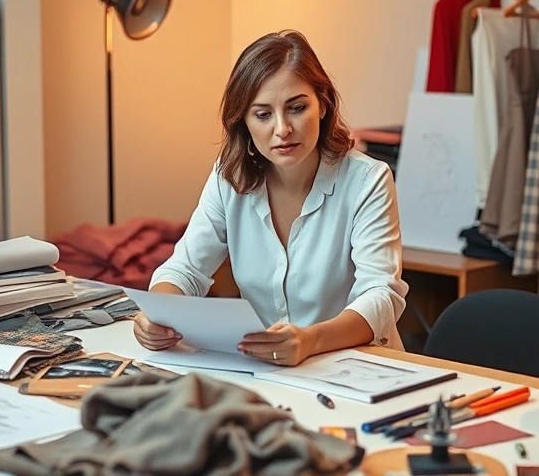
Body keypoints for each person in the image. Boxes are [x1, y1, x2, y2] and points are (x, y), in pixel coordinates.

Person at [134, 29, 408, 366]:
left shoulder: (368, 181)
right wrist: (157, 316)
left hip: (358, 369)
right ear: (245, 121)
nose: (282, 129)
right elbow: (185, 270)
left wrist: (311, 340)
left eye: (296, 108)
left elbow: (381, 295)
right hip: (269, 371)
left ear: (322, 104)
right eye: (263, 114)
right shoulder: (228, 177)